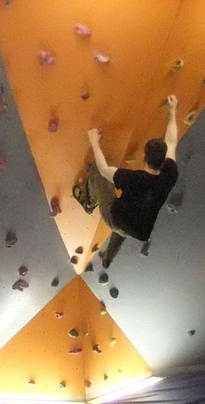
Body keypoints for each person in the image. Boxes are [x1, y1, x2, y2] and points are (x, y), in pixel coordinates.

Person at [78, 94, 180, 274]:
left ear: (144, 158)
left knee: (97, 176)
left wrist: (94, 142)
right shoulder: (169, 175)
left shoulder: (133, 179)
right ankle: (108, 258)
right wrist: (172, 112)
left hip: (115, 215)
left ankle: (88, 201)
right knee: (122, 232)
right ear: (164, 161)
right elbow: (172, 142)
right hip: (137, 227)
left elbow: (103, 169)